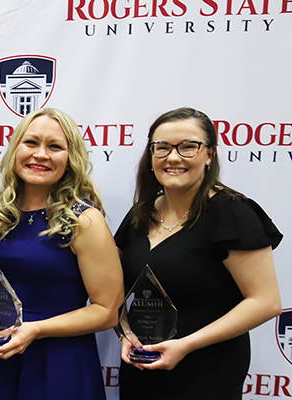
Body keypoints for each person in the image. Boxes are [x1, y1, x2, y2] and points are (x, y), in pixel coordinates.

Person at [115, 107, 282, 399]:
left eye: (188, 146)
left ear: (209, 155)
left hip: (206, 372)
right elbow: (112, 286)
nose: (174, 157)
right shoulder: (140, 214)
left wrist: (186, 345)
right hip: (141, 368)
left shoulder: (231, 212)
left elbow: (265, 302)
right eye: (162, 147)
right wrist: (125, 332)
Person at [0, 107, 123, 399]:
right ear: (16, 149)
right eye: (31, 143)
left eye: (54, 146)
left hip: (63, 363)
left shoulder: (85, 220)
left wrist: (35, 330)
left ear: (70, 158)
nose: (40, 154)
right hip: (3, 357)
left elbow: (107, 312)